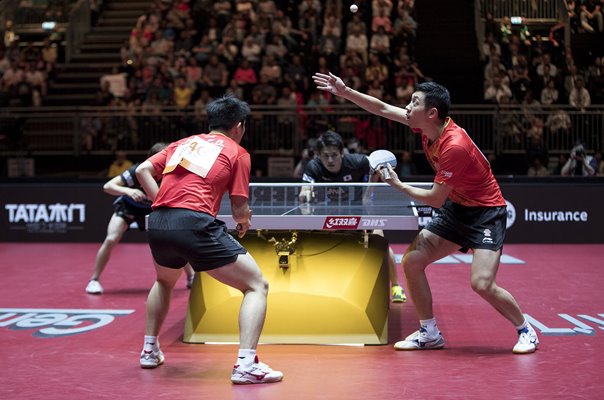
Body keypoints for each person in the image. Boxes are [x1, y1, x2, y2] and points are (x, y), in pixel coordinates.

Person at [313, 72, 539, 354]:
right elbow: (382, 108)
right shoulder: (428, 128)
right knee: (412, 261)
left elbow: (434, 199)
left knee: (481, 283)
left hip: (485, 212)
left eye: (413, 102)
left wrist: (397, 185)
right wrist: (345, 92)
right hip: (458, 207)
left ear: (431, 113)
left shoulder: (454, 146)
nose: (407, 107)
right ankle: (429, 332)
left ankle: (525, 329)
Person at [135, 96, 283, 384]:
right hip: (194, 224)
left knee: (164, 281)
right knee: (256, 285)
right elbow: (239, 209)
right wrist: (244, 222)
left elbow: (142, 170)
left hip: (160, 223)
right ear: (239, 126)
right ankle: (246, 365)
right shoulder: (237, 152)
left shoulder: (182, 143)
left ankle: (149, 351)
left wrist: (163, 203)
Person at [298, 130, 407, 303]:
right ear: (319, 155)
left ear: (342, 153)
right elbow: (304, 190)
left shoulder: (358, 162)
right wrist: (305, 195)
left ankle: (396, 286)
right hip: (331, 213)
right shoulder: (314, 166)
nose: (330, 160)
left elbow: (375, 171)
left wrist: (368, 194)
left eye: (334, 155)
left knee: (380, 241)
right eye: (325, 156)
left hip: (361, 210)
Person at [86, 143, 195, 295]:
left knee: (174, 240)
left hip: (152, 210)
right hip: (129, 207)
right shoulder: (137, 171)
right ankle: (94, 280)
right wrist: (128, 191)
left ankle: (191, 277)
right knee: (111, 239)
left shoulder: (172, 172)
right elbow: (108, 186)